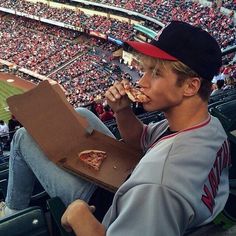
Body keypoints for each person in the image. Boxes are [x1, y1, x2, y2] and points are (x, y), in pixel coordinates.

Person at [0, 21, 231, 236]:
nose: (141, 81)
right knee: (82, 114)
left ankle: (11, 213)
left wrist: (80, 216)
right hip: (133, 188)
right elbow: (139, 140)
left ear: (191, 86)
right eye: (146, 70)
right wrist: (122, 110)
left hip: (108, 213)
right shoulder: (208, 125)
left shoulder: (159, 182)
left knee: (22, 137)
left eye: (156, 73)